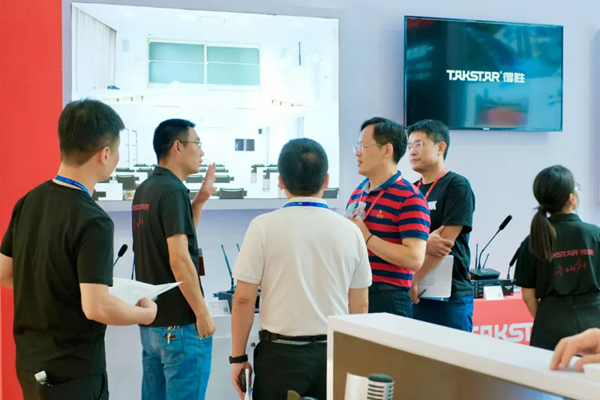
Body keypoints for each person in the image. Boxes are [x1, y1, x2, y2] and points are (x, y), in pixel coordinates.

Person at [0, 99, 157, 400]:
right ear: (105, 154)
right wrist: (145, 315)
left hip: (30, 363)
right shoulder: (93, 219)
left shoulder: (28, 201)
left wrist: (55, 292)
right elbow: (96, 307)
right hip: (72, 372)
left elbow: (4, 273)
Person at [230, 138, 372, 400]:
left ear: (280, 181)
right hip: (333, 353)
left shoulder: (262, 226)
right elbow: (360, 305)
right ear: (326, 180)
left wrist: (238, 358)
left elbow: (243, 299)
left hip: (280, 356)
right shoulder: (351, 231)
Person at [132, 119, 216, 400]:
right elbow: (179, 258)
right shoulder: (173, 190)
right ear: (178, 147)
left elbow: (179, 239)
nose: (201, 152)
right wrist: (202, 313)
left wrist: (199, 201)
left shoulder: (147, 188)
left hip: (153, 327)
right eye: (197, 144)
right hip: (180, 326)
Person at [347, 117, 430, 318]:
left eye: (364, 146)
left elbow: (414, 258)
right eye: (357, 146)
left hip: (389, 297)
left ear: (387, 150)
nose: (358, 153)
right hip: (356, 292)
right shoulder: (358, 192)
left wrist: (367, 237)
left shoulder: (409, 197)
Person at [515, 165, 600, 351]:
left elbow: (528, 296)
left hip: (549, 327)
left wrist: (546, 319)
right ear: (571, 198)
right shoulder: (595, 235)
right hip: (595, 324)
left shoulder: (532, 241)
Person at [406, 119, 476, 332]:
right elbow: (405, 242)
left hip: (450, 296)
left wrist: (413, 280)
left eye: (419, 144)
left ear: (440, 147)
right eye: (409, 146)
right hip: (416, 293)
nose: (412, 152)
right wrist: (426, 241)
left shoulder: (456, 185)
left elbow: (443, 243)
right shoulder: (410, 191)